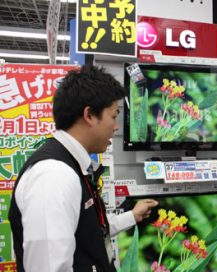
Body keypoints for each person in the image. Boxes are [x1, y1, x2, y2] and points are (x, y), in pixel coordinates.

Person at [9, 65, 158, 272]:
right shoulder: (54, 176)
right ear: (89, 115)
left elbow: (87, 232)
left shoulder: (74, 166)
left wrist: (131, 216)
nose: (116, 127)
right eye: (113, 116)